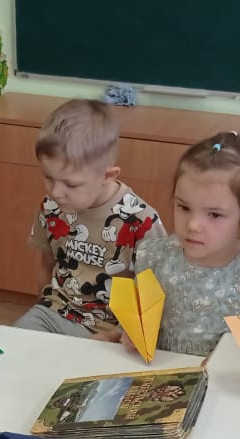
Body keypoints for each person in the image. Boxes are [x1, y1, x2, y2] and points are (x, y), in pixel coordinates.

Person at [116, 132, 240, 357]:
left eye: (214, 214)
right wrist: (128, 333)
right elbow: (136, 319)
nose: (193, 225)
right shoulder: (155, 257)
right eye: (184, 208)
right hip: (156, 372)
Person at [13, 99, 167, 338]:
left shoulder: (141, 221)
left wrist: (119, 335)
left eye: (71, 184)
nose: (56, 192)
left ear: (107, 176)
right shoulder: (52, 206)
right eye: (48, 177)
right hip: (55, 313)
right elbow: (46, 261)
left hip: (113, 329)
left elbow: (155, 294)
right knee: (17, 340)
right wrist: (42, 306)